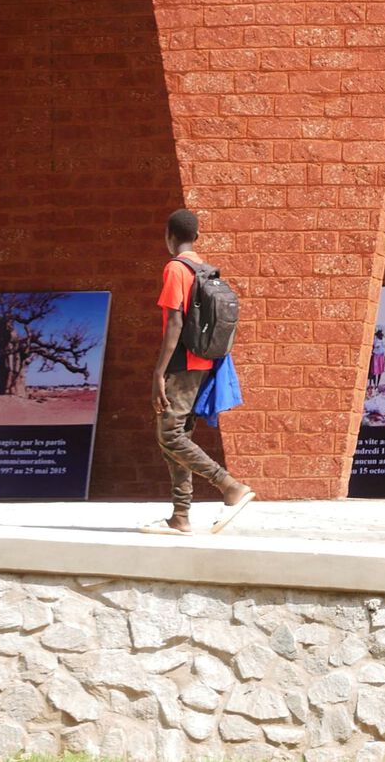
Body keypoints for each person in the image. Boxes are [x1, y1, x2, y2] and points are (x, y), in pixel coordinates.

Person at [143, 208, 256, 535]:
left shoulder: (176, 269)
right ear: (196, 236)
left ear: (169, 236)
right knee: (178, 435)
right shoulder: (204, 269)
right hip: (205, 362)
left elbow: (174, 322)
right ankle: (180, 516)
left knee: (170, 435)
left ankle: (229, 486)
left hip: (182, 364)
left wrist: (158, 373)